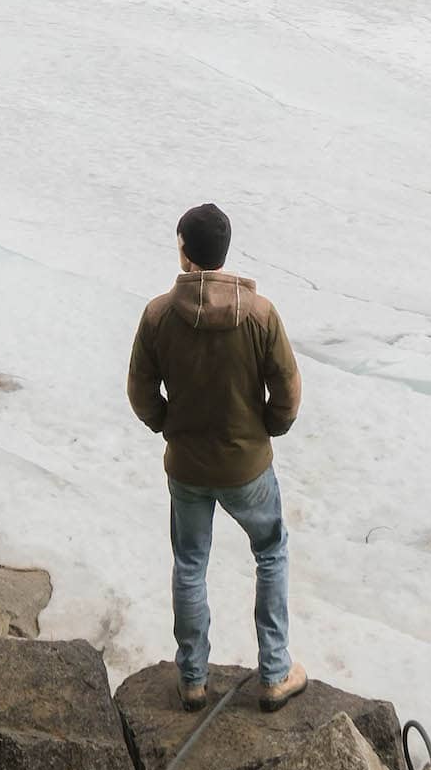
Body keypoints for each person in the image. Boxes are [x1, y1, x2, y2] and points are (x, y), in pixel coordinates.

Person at [127, 202, 307, 713]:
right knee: (270, 553)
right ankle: (274, 673)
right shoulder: (260, 314)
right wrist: (266, 429)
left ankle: (192, 679)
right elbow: (287, 394)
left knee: (189, 564)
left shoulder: (159, 315)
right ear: (223, 253)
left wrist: (167, 424)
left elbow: (140, 390)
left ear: (185, 252)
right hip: (247, 466)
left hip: (186, 466)